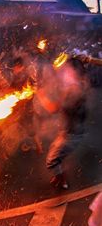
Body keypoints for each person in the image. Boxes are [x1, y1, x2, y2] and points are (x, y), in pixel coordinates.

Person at [35, 58, 88, 189]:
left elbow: (53, 109)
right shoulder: (79, 85)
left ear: (74, 72)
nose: (63, 73)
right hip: (69, 131)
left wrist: (40, 95)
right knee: (54, 154)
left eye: (66, 70)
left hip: (72, 134)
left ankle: (63, 182)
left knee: (51, 160)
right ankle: (59, 177)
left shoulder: (74, 90)